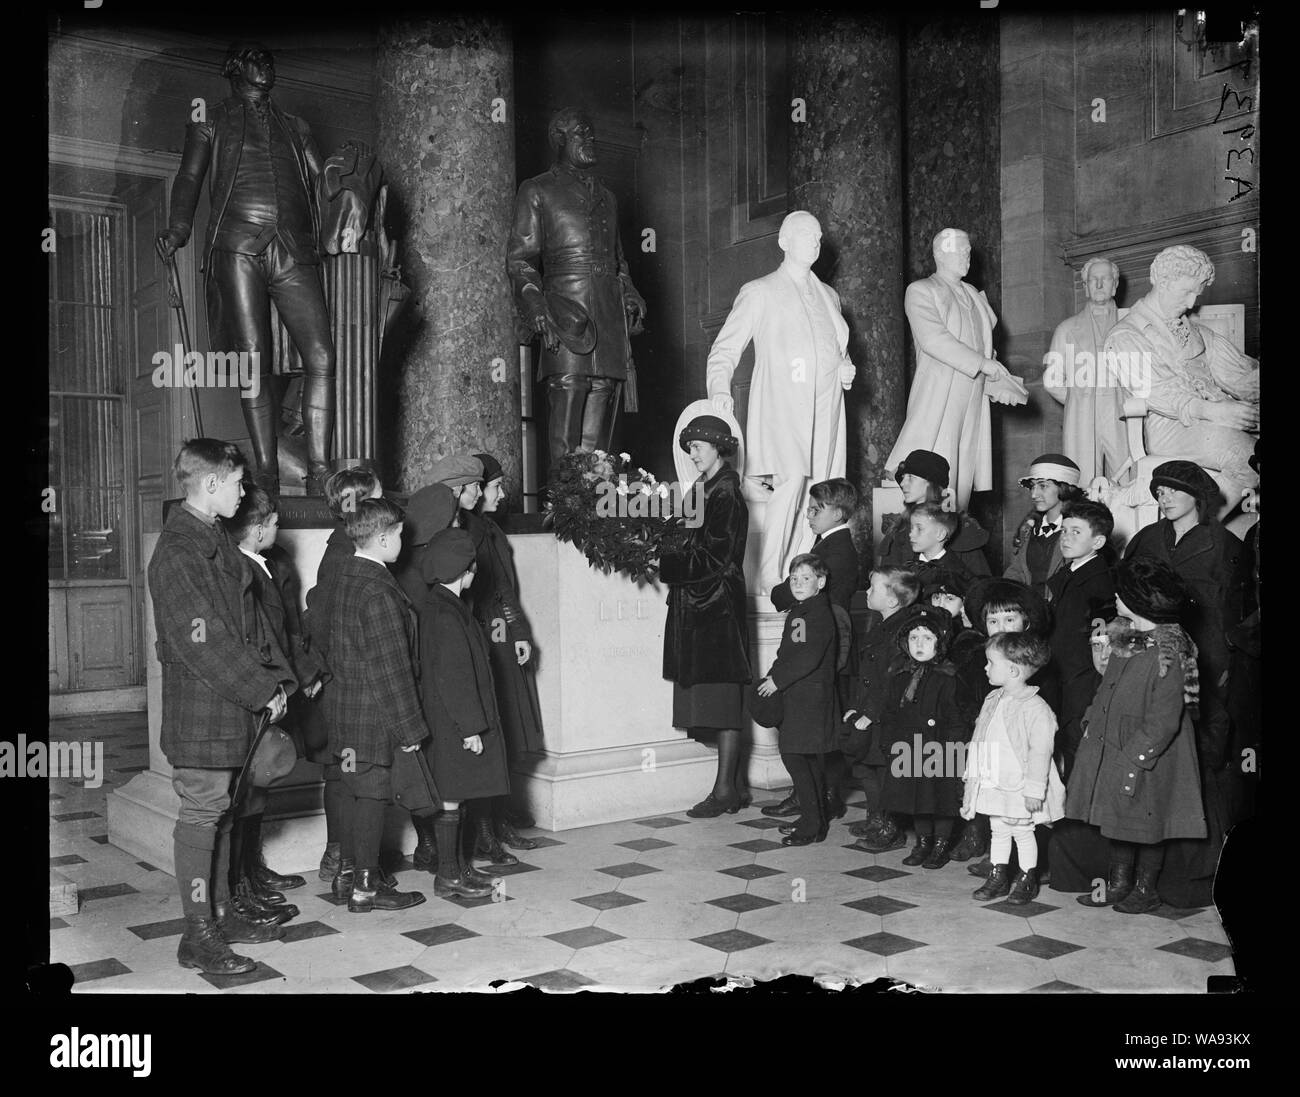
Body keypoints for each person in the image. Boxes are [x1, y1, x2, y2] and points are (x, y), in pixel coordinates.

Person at [156, 43, 336, 494]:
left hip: (294, 248)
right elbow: (190, 177)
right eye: (256, 58)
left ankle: (319, 471)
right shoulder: (211, 119)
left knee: (322, 357)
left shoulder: (296, 126)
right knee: (253, 361)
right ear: (236, 69)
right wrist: (178, 229)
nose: (266, 64)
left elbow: (325, 182)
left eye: (270, 58)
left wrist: (354, 176)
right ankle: (267, 470)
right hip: (238, 244)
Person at [149, 440, 296, 975]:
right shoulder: (180, 551)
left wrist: (275, 681)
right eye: (237, 482)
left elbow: (248, 625)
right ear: (210, 484)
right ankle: (198, 935)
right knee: (203, 813)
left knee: (226, 811)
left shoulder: (213, 539)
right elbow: (202, 640)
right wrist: (261, 689)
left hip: (229, 706)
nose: (243, 492)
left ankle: (222, 913)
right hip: (205, 708)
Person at [705, 210, 856, 593]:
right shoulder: (760, 290)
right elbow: (723, 351)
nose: (814, 243)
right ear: (784, 241)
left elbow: (835, 347)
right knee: (789, 485)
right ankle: (769, 574)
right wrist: (720, 391)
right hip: (784, 405)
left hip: (827, 407)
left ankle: (804, 572)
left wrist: (845, 367)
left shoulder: (829, 295)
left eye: (819, 237)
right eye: (806, 235)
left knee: (822, 488)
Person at [1123, 460, 1245, 907]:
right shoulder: (1146, 541)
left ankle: (1198, 871)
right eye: (1159, 491)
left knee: (1200, 759)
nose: (1164, 498)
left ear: (1199, 497)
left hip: (1209, 668)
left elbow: (1236, 609)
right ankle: (1142, 868)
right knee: (1155, 758)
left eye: (1174, 490)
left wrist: (1228, 661)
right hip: (1150, 664)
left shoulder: (1223, 545)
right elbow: (1124, 600)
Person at [1066, 557, 1206, 914]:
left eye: (1122, 593)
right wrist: (1091, 722)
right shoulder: (1125, 638)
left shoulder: (1167, 651)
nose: (1115, 596)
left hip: (1151, 751)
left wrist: (1136, 754)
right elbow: (1106, 688)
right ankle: (1118, 883)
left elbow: (1165, 718)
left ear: (1140, 602)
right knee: (1119, 818)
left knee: (1148, 820)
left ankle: (1146, 888)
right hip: (1114, 741)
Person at [507, 107, 646, 467]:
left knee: (601, 402)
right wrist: (535, 306)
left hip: (608, 316)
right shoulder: (537, 189)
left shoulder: (609, 197)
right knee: (569, 395)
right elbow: (521, 260)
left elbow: (620, 262)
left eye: (590, 132)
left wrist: (629, 291)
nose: (590, 139)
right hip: (567, 313)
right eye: (581, 133)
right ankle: (564, 502)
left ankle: (593, 502)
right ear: (560, 139)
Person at [224, 483, 325, 928]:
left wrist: (303, 676)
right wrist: (279, 686)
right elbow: (261, 642)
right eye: (273, 522)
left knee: (259, 784)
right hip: (256, 695)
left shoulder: (265, 565)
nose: (280, 528)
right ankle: (239, 885)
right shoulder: (240, 571)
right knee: (242, 793)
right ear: (254, 528)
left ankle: (251, 873)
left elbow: (287, 632)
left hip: (276, 692)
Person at [321, 497, 428, 912]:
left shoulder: (346, 575)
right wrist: (410, 729)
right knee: (372, 796)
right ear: (382, 538)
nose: (404, 539)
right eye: (400, 534)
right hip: (374, 713)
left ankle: (348, 875)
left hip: (345, 708)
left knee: (351, 791)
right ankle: (366, 886)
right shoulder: (379, 589)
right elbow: (391, 669)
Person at [1105, 244, 1259, 510]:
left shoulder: (1197, 332)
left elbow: (1241, 378)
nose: (1191, 303)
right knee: (1247, 456)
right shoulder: (1126, 335)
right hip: (1169, 425)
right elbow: (1156, 391)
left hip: (1213, 417)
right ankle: (1196, 536)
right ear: (1162, 282)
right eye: (1186, 292)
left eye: (1196, 294)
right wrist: (1214, 411)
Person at [886, 228, 1027, 510]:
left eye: (968, 251)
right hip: (941, 392)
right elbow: (933, 339)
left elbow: (985, 344)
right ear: (939, 254)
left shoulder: (974, 295)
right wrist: (982, 364)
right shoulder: (921, 290)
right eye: (959, 250)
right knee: (933, 464)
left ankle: (954, 523)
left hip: (973, 396)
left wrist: (997, 378)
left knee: (960, 478)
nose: (966, 256)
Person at [657, 415, 752, 816]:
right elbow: (688, 538)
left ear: (716, 446)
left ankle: (727, 790)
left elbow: (716, 555)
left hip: (716, 607)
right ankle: (729, 789)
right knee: (714, 699)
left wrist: (665, 559)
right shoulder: (705, 489)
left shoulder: (726, 492)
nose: (692, 454)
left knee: (724, 699)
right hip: (701, 605)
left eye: (696, 446)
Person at [417, 529, 512, 900]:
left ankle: (458, 867)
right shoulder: (446, 615)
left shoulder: (443, 607)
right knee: (453, 797)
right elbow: (454, 677)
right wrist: (470, 728)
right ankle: (449, 875)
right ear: (466, 570)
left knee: (459, 795)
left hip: (449, 721)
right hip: (455, 723)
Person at [302, 467, 384, 882]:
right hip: (345, 683)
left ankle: (344, 856)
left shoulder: (346, 546)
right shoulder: (345, 552)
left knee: (343, 769)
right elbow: (320, 615)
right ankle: (342, 856)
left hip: (341, 679)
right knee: (343, 770)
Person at [764, 477, 859, 822]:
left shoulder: (836, 550)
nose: (809, 515)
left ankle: (820, 799)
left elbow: (781, 596)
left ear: (837, 512)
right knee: (817, 731)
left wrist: (785, 589)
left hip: (826, 653)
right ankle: (814, 796)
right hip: (823, 649)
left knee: (820, 731)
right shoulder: (826, 545)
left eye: (816, 509)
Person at [466, 453, 545, 852]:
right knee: (491, 737)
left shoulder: (487, 527)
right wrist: (514, 631)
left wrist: (518, 631)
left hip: (498, 639)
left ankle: (497, 823)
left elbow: (503, 591)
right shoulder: (472, 531)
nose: (502, 493)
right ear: (477, 492)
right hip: (486, 644)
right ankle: (486, 831)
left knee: (506, 734)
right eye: (495, 486)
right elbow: (491, 593)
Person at [962, 631, 1066, 905]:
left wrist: (1034, 790)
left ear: (1012, 670)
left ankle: (1026, 877)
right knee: (998, 829)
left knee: (1022, 831)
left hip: (1020, 786)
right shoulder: (992, 699)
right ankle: (998, 876)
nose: (985, 667)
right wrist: (972, 777)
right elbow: (979, 738)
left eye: (990, 663)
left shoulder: (1036, 708)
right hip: (994, 780)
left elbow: (1041, 752)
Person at [958, 577, 1051, 876]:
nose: (1001, 627)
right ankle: (993, 853)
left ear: (1026, 622)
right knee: (994, 806)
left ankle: (1027, 867)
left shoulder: (1036, 663)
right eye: (993, 620)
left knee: (1022, 817)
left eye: (1009, 619)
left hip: (1021, 754)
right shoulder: (978, 658)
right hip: (987, 744)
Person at [755, 555, 839, 846]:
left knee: (795, 757)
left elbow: (808, 656)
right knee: (804, 759)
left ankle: (812, 824)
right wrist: (772, 676)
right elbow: (789, 652)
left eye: (806, 578)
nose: (799, 584)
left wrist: (778, 681)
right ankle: (812, 818)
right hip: (797, 695)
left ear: (821, 582)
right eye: (794, 579)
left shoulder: (817, 614)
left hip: (809, 698)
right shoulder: (801, 611)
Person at [878, 604, 967, 869]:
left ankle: (941, 844)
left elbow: (956, 719)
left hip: (939, 748)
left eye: (927, 638)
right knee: (915, 797)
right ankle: (923, 842)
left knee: (940, 800)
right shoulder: (901, 676)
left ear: (939, 643)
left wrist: (953, 752)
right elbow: (891, 713)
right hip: (908, 746)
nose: (919, 643)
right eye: (914, 638)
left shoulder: (948, 677)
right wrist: (889, 743)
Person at [842, 567, 922, 852]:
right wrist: (854, 707)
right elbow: (865, 675)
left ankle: (892, 829)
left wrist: (871, 713)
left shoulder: (902, 632)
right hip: (867, 710)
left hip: (885, 715)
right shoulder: (879, 624)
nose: (867, 592)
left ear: (891, 600)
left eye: (873, 588)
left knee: (886, 773)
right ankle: (876, 818)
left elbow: (893, 679)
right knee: (866, 768)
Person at [1045, 499, 1117, 780]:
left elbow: (1101, 630)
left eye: (1076, 532)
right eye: (1064, 531)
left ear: (1097, 541)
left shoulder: (1100, 582)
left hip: (1082, 674)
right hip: (1059, 669)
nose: (1066, 537)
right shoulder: (1067, 572)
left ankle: (1078, 813)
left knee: (1076, 739)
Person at [1044, 256, 1124, 483]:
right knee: (1083, 480)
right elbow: (1052, 379)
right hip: (1082, 414)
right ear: (1085, 287)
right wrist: (1077, 399)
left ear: (1115, 284)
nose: (1099, 285)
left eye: (1105, 279)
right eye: (1093, 280)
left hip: (1121, 413)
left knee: (1126, 476)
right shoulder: (1067, 329)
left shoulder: (1133, 326)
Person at [876, 449, 991, 576]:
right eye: (903, 477)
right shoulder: (900, 528)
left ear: (931, 483)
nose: (902, 483)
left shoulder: (961, 529)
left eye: (911, 477)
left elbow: (981, 586)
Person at [1004, 454, 1085, 600]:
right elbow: (1016, 571)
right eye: (1033, 486)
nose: (1034, 494)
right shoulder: (1027, 529)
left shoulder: (1082, 532)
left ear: (1064, 488)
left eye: (1043, 486)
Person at [909, 503, 977, 597]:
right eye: (911, 528)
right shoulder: (908, 566)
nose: (911, 534)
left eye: (919, 529)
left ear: (940, 535)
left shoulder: (956, 572)